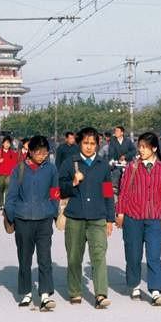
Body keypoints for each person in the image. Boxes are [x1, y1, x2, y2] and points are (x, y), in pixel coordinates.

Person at [59, 127, 115, 309]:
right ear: (79, 143)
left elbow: (108, 193)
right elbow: (58, 191)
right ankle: (75, 291)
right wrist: (73, 182)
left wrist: (110, 218)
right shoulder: (69, 164)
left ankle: (100, 294)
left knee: (99, 255)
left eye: (93, 143)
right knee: (74, 256)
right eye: (85, 143)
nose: (89, 147)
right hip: (75, 217)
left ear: (98, 145)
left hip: (98, 218)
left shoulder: (103, 165)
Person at [4, 135, 60, 312]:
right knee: (24, 258)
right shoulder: (19, 169)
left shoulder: (51, 169)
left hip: (44, 220)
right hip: (23, 220)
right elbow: (11, 195)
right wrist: (12, 215)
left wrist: (53, 210)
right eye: (38, 152)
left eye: (45, 153)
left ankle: (45, 295)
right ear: (30, 151)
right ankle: (26, 292)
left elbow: (55, 193)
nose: (42, 156)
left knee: (45, 258)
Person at [115, 132, 161, 306]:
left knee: (154, 254)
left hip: (154, 216)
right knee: (133, 254)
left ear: (154, 148)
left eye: (145, 147)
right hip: (133, 216)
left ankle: (155, 290)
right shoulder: (132, 167)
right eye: (140, 146)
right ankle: (135, 284)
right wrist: (121, 212)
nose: (142, 150)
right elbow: (123, 191)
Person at [0, 136, 19, 211]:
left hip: (9, 174)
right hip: (0, 174)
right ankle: (1, 204)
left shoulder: (13, 153)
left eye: (8, 143)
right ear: (3, 144)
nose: (7, 144)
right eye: (5, 143)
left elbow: (16, 164)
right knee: (0, 188)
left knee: (8, 189)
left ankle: (7, 204)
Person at [108, 125, 137, 194]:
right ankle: (114, 187)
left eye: (117, 131)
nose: (115, 132)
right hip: (116, 163)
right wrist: (114, 160)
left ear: (122, 133)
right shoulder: (113, 141)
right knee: (116, 172)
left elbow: (133, 151)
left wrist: (125, 156)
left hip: (127, 163)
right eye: (115, 131)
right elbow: (111, 152)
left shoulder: (128, 141)